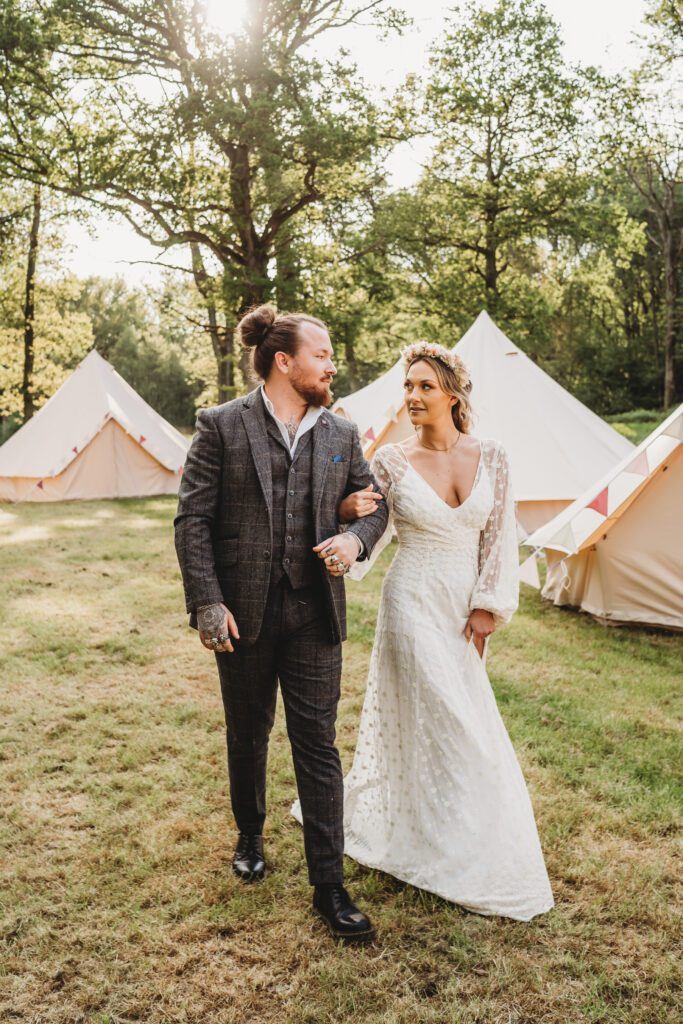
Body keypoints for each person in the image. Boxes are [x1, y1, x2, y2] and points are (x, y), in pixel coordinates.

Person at [303, 340, 554, 921]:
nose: (412, 397)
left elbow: (499, 538)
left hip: (463, 606)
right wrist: (345, 522)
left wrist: (488, 606)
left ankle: (450, 823)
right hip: (412, 600)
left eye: (424, 387)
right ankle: (440, 838)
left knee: (453, 714)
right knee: (450, 716)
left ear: (452, 394)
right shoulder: (390, 460)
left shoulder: (492, 455)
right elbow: (375, 524)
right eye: (408, 387)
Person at [174, 304, 389, 944]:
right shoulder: (220, 426)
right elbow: (192, 522)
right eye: (321, 354)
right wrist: (207, 600)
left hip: (313, 613)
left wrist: (353, 540)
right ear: (284, 362)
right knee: (248, 733)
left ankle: (329, 885)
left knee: (318, 745)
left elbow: (372, 509)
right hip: (241, 614)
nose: (332, 364)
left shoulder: (343, 435)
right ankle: (249, 834)